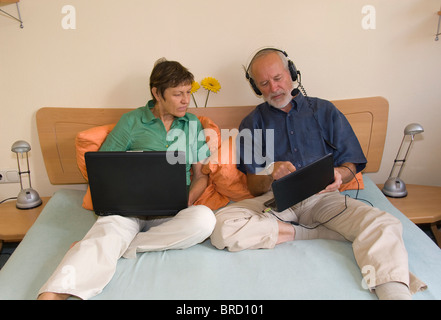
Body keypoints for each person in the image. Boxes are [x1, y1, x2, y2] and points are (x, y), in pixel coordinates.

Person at [210, 48, 426, 300]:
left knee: (384, 223)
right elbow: (254, 186)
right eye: (264, 83)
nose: (274, 88)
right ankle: (313, 232)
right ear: (257, 88)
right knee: (221, 226)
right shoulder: (253, 122)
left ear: (291, 73)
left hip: (324, 198)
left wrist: (340, 174)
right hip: (276, 202)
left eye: (278, 78)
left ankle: (395, 294)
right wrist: (270, 174)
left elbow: (351, 163)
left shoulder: (325, 111)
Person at [38, 58, 216, 300]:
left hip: (173, 210)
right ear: (157, 92)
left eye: (188, 92)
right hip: (129, 208)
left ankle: (120, 246)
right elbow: (103, 168)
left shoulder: (192, 123)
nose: (186, 100)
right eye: (178, 94)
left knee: (205, 220)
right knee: (111, 228)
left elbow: (200, 176)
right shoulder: (131, 122)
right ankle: (55, 293)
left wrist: (183, 201)